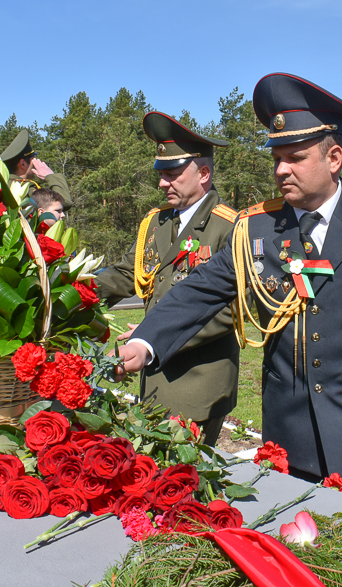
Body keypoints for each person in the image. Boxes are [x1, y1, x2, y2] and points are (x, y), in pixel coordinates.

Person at [114, 73, 342, 505]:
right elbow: (201, 289)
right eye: (276, 158)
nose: (280, 170)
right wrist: (147, 340)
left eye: (294, 157)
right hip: (286, 430)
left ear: (334, 157)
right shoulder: (257, 226)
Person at [96, 112, 240, 446]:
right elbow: (124, 273)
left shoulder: (230, 227)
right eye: (161, 174)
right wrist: (74, 293)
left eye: (172, 174)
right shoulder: (156, 222)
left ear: (203, 174)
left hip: (198, 384)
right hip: (152, 374)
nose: (162, 183)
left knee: (187, 484)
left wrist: (152, 334)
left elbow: (231, 308)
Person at [0, 130, 73, 210]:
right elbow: (63, 203)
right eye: (34, 160)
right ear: (23, 164)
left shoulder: (1, 184)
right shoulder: (25, 189)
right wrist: (51, 176)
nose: (38, 164)